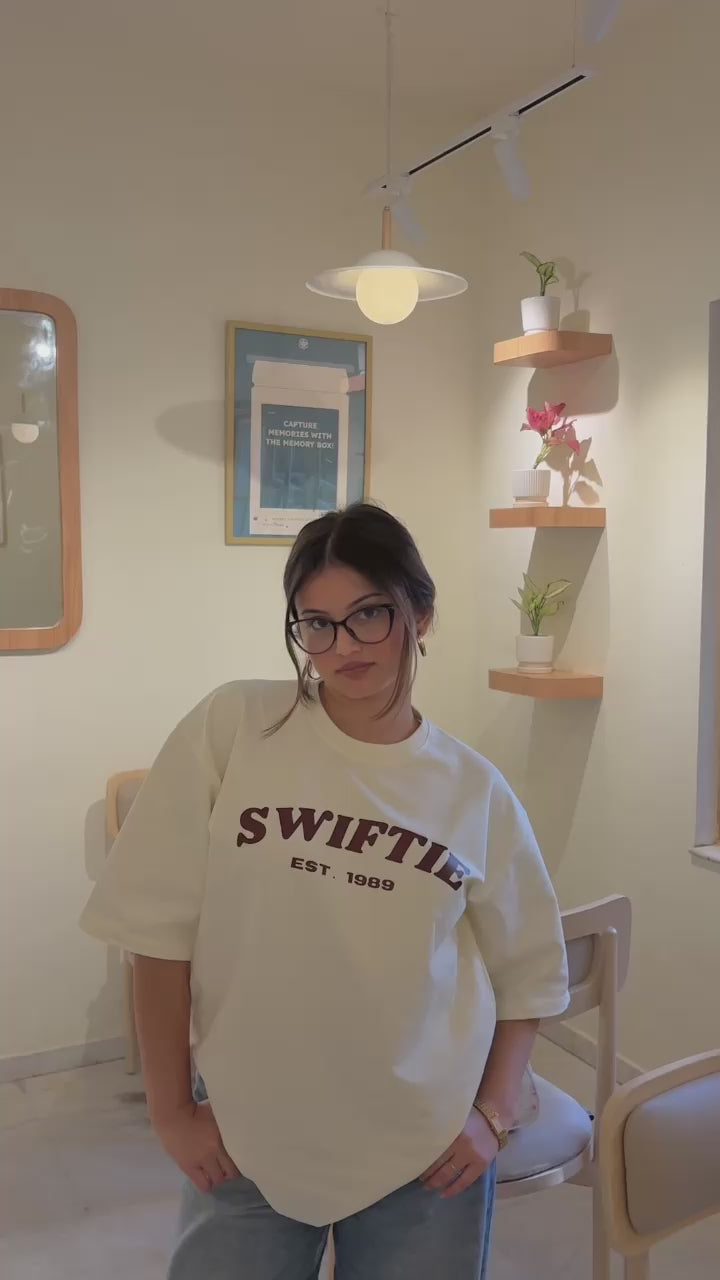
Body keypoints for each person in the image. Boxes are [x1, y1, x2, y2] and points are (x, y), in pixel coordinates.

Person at [81, 501, 569, 1280]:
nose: (342, 646)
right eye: (317, 623)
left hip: (425, 1150)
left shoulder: (474, 791)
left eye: (369, 614)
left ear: (420, 616)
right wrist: (172, 1110)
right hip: (246, 1132)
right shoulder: (235, 728)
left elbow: (529, 973)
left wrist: (494, 1113)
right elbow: (155, 932)